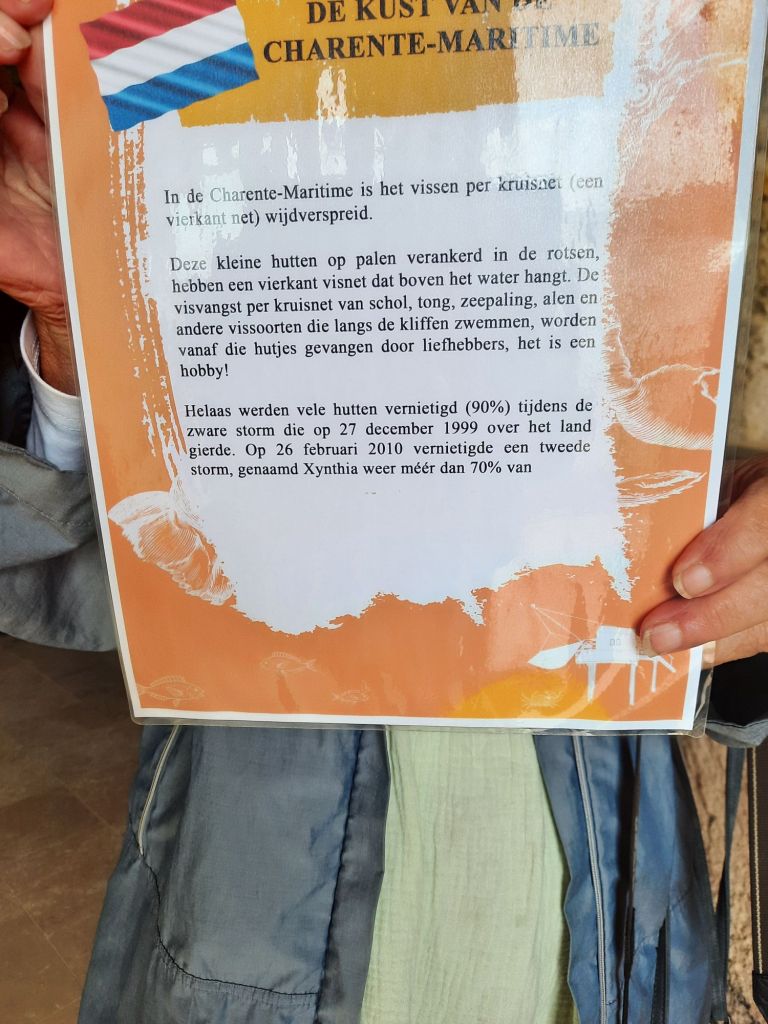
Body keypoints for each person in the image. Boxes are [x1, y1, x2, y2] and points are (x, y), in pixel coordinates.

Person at [2, 3, 768, 1022]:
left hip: (598, 925)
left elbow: (669, 483)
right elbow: (83, 583)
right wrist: (76, 325)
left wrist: (732, 557)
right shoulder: (194, 39)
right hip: (259, 915)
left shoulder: (639, 43)